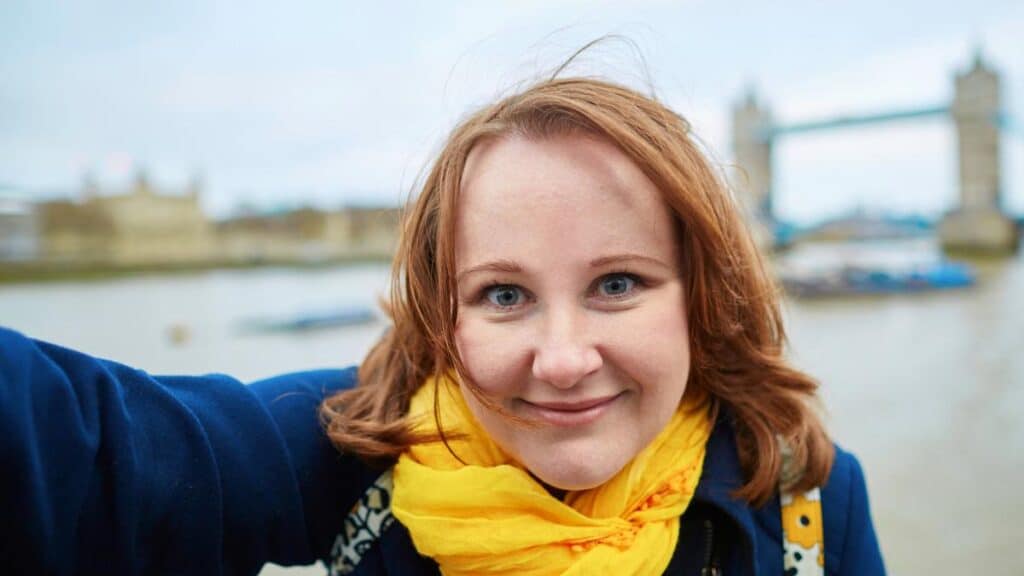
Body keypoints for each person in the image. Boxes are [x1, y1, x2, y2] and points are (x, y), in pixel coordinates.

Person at [0, 76, 885, 575]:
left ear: (701, 297)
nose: (564, 359)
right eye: (504, 295)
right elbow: (91, 455)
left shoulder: (807, 501)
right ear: (441, 319)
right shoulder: (358, 449)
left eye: (618, 283)